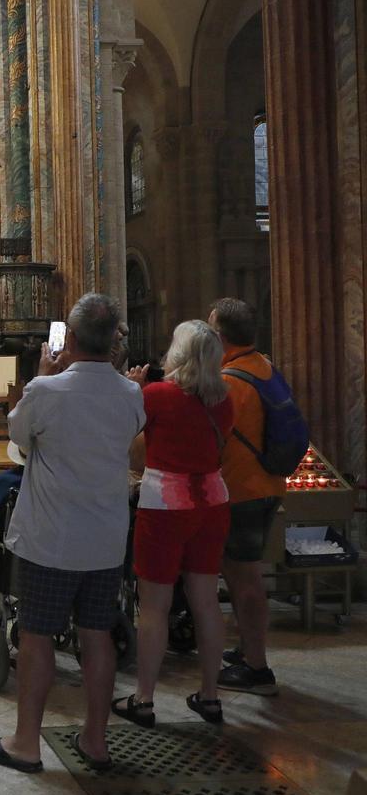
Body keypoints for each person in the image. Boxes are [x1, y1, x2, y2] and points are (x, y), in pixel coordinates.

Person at [0, 293, 144, 773]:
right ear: (114, 342)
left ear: (67, 339)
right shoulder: (132, 393)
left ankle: (27, 742)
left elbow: (19, 439)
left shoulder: (48, 392)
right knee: (96, 635)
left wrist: (43, 376)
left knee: (37, 635)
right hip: (106, 538)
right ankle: (95, 740)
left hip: (52, 538)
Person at [113, 321, 234, 728]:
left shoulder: (158, 395)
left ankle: (144, 698)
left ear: (178, 352)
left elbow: (128, 447)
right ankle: (211, 696)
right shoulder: (224, 400)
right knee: (205, 600)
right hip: (213, 501)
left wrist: (131, 389)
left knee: (155, 605)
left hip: (166, 503)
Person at [208, 298, 286, 695]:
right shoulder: (264, 366)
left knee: (245, 577)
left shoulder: (229, 383)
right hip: (268, 484)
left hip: (242, 491)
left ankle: (257, 667)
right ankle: (246, 649)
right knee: (240, 575)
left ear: (220, 337)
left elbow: (215, 440)